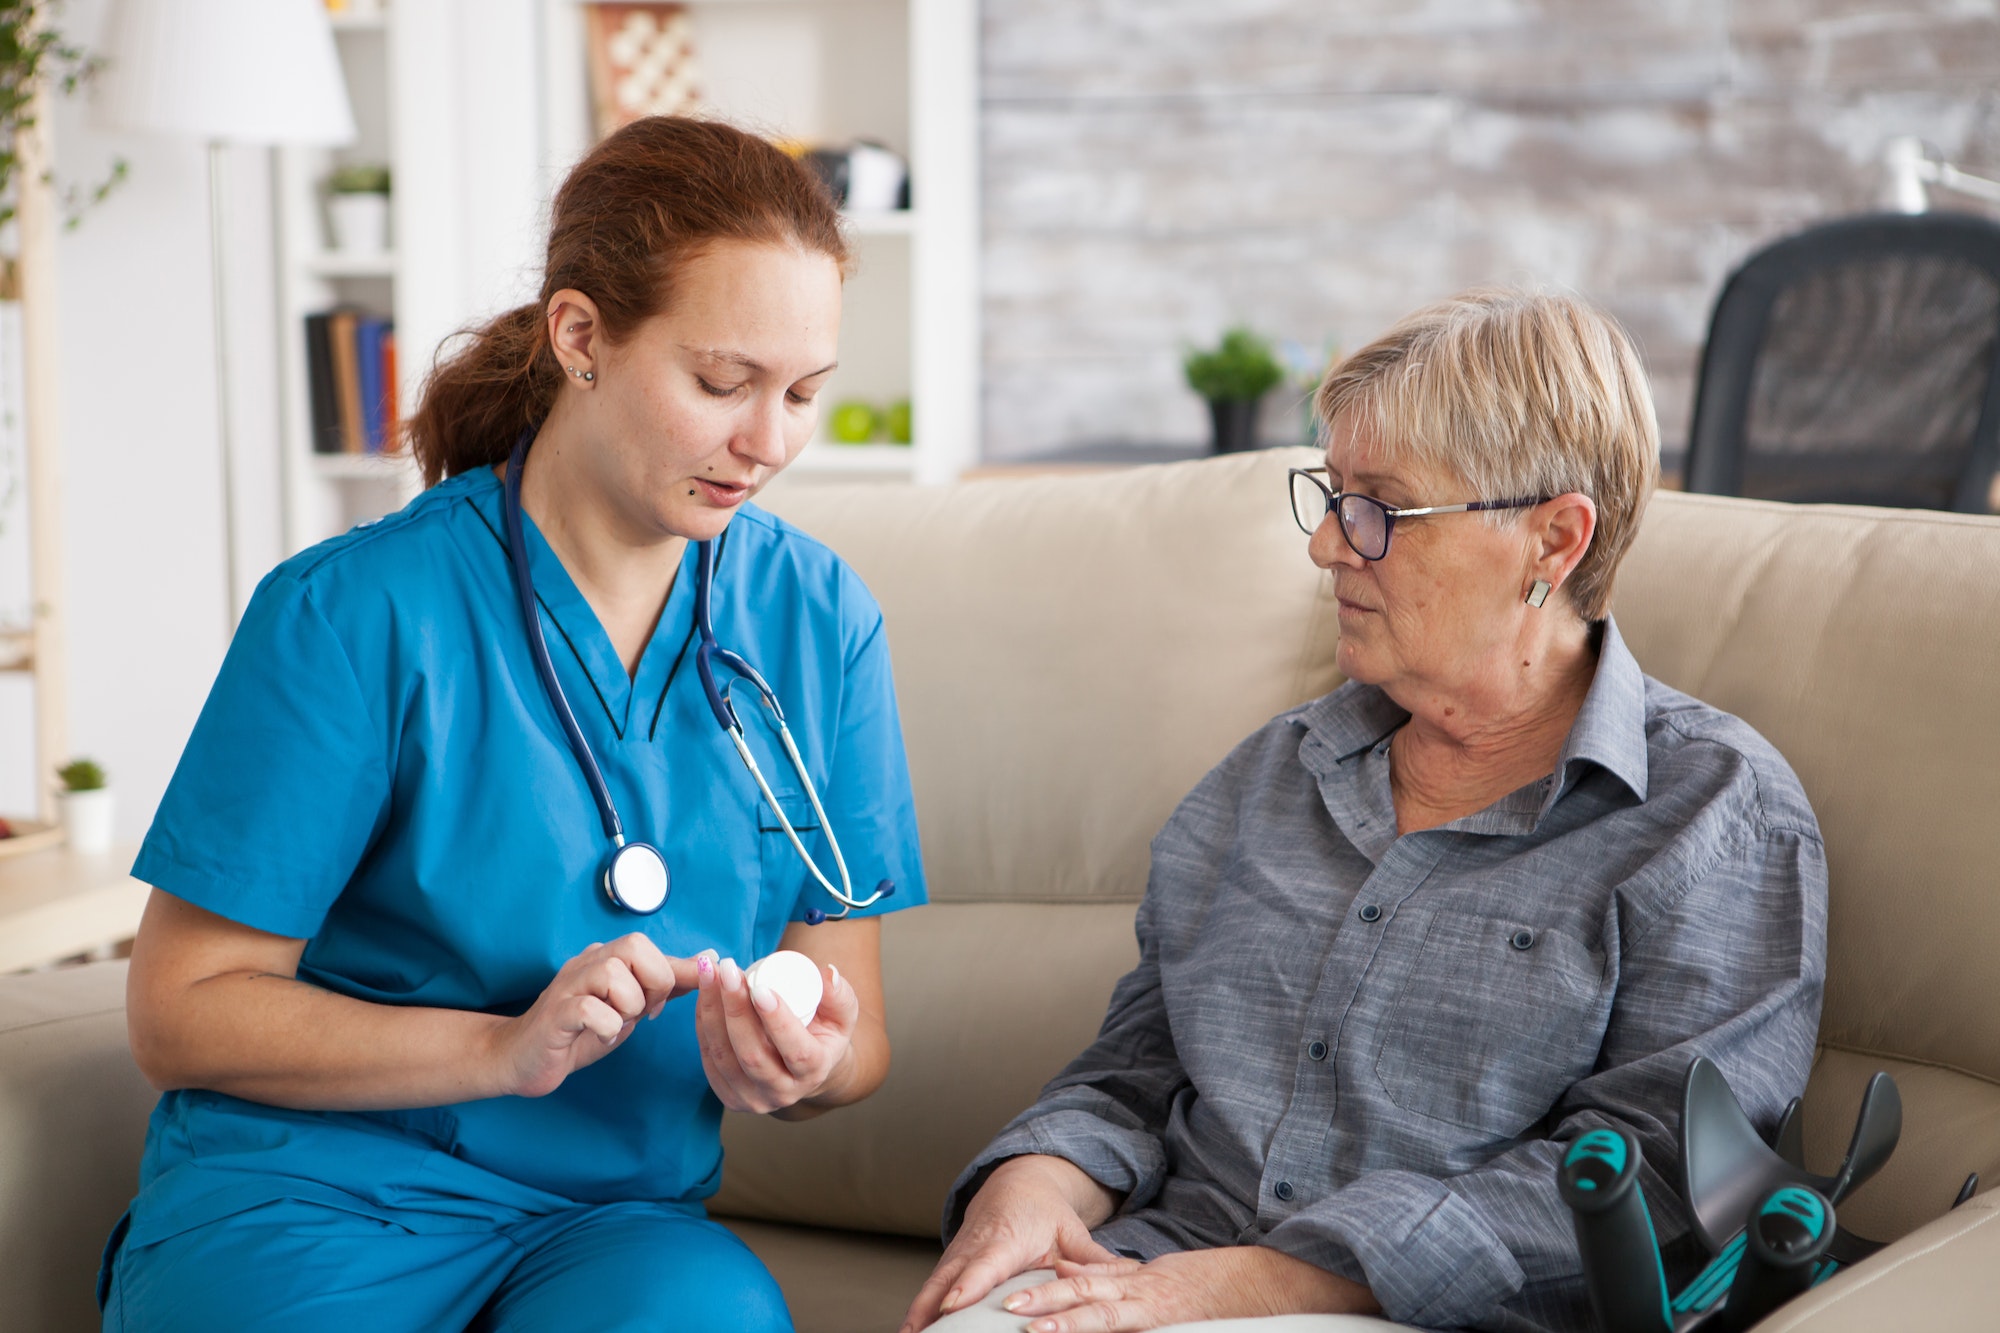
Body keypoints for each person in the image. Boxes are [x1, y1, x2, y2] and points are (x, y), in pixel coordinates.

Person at [101, 117, 927, 1333]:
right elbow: (181, 1009)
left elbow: (854, 1031)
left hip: (609, 1226)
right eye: (720, 382)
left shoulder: (815, 623)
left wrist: (804, 1067)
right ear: (580, 336)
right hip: (317, 1193)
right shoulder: (355, 612)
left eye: (802, 393)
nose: (766, 442)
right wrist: (501, 1052)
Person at [905, 290, 1826, 1333]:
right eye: (1331, 495)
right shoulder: (1268, 778)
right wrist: (1031, 1185)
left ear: (1552, 539)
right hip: (1153, 1272)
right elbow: (1135, 1068)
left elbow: (1659, 1178)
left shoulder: (1711, 814)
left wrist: (1259, 1282)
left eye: (1380, 508)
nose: (1327, 548)